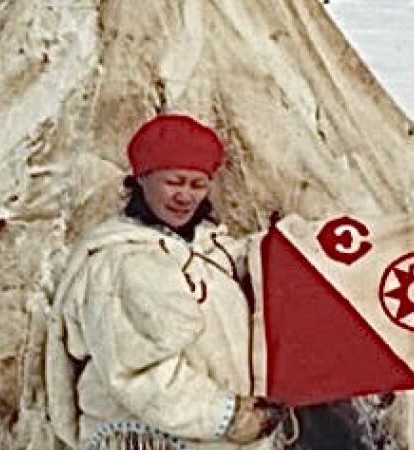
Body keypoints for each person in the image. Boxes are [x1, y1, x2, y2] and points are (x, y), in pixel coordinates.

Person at [46, 114, 283, 450]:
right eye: (175, 182)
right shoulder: (123, 262)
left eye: (197, 184)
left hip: (207, 439)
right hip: (145, 438)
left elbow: (244, 270)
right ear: (142, 179)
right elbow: (139, 371)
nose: (185, 196)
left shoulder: (206, 247)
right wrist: (227, 414)